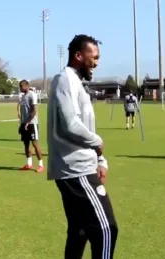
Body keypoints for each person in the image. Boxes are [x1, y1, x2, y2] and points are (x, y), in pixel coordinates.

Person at [47, 34, 118, 259]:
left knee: (79, 231)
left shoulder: (76, 82)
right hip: (76, 169)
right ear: (78, 55)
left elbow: (85, 127)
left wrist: (100, 159)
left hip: (82, 166)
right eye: (93, 57)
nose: (96, 62)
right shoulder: (65, 79)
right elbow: (70, 124)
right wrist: (97, 143)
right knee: (106, 229)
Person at [18, 80, 44, 172]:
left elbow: (34, 110)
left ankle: (41, 165)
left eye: (22, 86)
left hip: (32, 123)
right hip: (24, 123)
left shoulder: (32, 94)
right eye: (20, 86)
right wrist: (22, 123)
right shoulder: (23, 96)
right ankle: (29, 164)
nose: (20, 88)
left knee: (35, 144)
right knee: (26, 144)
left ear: (27, 86)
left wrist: (29, 122)